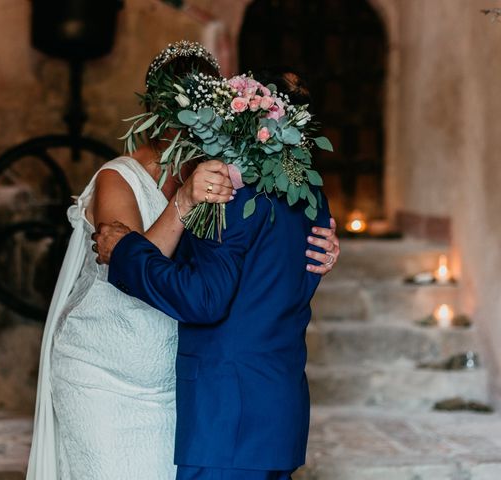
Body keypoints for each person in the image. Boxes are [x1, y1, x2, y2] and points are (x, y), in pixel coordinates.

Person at [26, 41, 339, 480]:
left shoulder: (230, 181)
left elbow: (202, 292)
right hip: (112, 376)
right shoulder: (124, 177)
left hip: (204, 400)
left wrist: (128, 248)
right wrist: (184, 202)